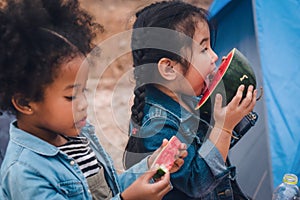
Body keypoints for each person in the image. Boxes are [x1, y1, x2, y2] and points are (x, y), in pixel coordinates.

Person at [0, 0, 187, 199]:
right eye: (71, 96)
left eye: (84, 91)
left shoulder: (77, 137)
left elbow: (108, 190)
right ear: (25, 103)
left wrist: (150, 166)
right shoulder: (24, 173)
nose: (83, 104)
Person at [123, 1, 257, 199]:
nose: (214, 56)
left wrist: (232, 114)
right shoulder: (158, 126)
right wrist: (224, 127)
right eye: (203, 49)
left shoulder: (187, 97)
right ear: (169, 69)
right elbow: (197, 182)